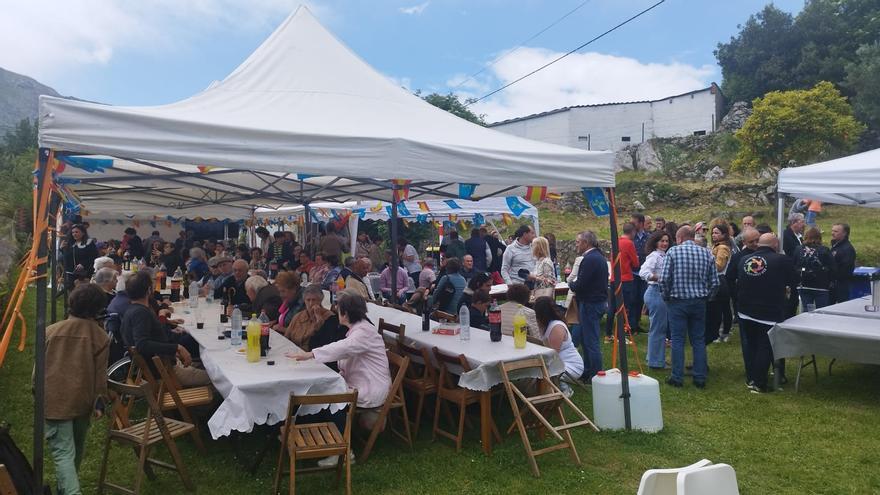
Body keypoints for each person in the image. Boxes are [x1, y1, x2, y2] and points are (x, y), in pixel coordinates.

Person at [288, 290, 391, 465]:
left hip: (371, 385)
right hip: (360, 380)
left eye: (339, 310)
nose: (337, 312)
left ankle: (344, 453)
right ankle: (301, 435)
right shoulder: (358, 328)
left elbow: (343, 348)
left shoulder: (363, 332)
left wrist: (310, 354)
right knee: (321, 389)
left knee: (334, 398)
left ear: (346, 313)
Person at [44, 284, 110, 495]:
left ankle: (68, 491)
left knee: (64, 453)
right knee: (73, 453)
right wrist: (100, 402)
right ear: (98, 307)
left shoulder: (51, 331)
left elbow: (39, 370)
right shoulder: (100, 337)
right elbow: (101, 378)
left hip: (54, 399)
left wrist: (38, 391)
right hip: (82, 400)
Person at [121, 271, 209, 387]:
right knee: (216, 378)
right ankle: (207, 405)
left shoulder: (130, 310)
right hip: (166, 372)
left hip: (161, 367)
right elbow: (142, 344)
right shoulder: (141, 313)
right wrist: (177, 347)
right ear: (149, 290)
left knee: (206, 366)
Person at [659, 226, 718, 389]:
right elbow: (715, 282)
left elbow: (663, 279)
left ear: (679, 238)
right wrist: (707, 297)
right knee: (698, 340)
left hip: (677, 301)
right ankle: (700, 377)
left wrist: (666, 297)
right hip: (699, 301)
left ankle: (677, 377)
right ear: (692, 237)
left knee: (677, 339)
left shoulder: (672, 252)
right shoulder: (707, 253)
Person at [736, 234, 796, 393]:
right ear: (775, 245)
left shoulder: (744, 260)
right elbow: (794, 280)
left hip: (745, 310)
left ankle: (751, 377)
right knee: (765, 347)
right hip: (768, 311)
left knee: (752, 346)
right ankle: (759, 383)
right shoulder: (782, 260)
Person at [567, 230, 608, 381]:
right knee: (585, 339)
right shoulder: (596, 257)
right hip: (593, 302)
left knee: (591, 341)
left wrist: (571, 283)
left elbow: (581, 283)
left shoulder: (590, 258)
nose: (576, 245)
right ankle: (588, 370)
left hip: (591, 303)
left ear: (586, 242)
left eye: (578, 242)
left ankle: (596, 374)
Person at [726, 227, 760, 381]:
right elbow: (729, 278)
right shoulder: (739, 257)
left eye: (757, 240)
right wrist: (737, 295)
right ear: (744, 242)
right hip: (745, 302)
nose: (755, 244)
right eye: (751, 241)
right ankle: (751, 371)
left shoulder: (766, 254)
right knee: (747, 339)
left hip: (763, 301)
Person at [639, 231, 670, 370]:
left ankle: (654, 358)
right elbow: (643, 272)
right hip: (656, 292)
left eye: (666, 241)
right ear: (655, 242)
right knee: (658, 329)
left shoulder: (663, 255)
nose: (664, 244)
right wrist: (660, 278)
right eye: (662, 241)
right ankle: (656, 362)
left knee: (658, 328)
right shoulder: (654, 256)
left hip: (659, 293)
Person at [284, 284, 347, 352]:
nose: (311, 304)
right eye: (308, 300)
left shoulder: (330, 317)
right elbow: (286, 337)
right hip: (293, 353)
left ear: (320, 301)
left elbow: (324, 343)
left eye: (314, 300)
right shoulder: (299, 316)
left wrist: (318, 319)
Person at [534, 296, 584, 380]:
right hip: (556, 363)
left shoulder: (556, 327)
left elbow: (551, 355)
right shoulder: (543, 325)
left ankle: (563, 388)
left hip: (570, 365)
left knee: (539, 375)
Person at [607, 223, 641, 342]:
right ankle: (623, 333)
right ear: (632, 232)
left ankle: (608, 334)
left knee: (612, 307)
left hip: (614, 279)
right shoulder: (629, 243)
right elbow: (636, 263)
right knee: (625, 307)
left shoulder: (616, 242)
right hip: (626, 279)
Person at [794, 227, 836, 311]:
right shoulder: (824, 250)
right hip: (821, 285)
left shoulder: (798, 249)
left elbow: (794, 265)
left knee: (806, 310)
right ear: (819, 237)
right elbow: (833, 268)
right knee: (822, 311)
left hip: (803, 284)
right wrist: (831, 281)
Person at [706, 221, 734, 344]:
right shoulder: (717, 246)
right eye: (713, 233)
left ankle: (721, 333)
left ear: (724, 234)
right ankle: (722, 332)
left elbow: (719, 266)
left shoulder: (722, 248)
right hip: (719, 279)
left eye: (717, 233)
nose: (713, 235)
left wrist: (706, 263)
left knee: (720, 308)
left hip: (719, 279)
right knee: (723, 308)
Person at [62, 223, 99, 288]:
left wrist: (83, 264)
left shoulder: (89, 243)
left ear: (83, 233)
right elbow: (67, 257)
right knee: (72, 289)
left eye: (76, 232)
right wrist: (62, 249)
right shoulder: (71, 244)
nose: (74, 234)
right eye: (73, 232)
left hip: (85, 272)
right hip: (72, 272)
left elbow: (93, 256)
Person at [630, 214, 650, 334]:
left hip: (644, 273)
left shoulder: (649, 237)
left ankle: (636, 324)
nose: (632, 225)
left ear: (641, 223)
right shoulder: (631, 237)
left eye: (635, 222)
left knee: (641, 299)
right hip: (632, 272)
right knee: (632, 299)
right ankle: (631, 325)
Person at [830, 223, 856, 304]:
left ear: (844, 233)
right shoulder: (835, 245)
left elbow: (845, 268)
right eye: (832, 230)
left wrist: (832, 275)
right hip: (833, 284)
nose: (832, 233)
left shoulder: (847, 249)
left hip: (841, 285)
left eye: (836, 231)